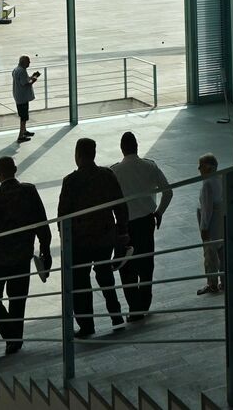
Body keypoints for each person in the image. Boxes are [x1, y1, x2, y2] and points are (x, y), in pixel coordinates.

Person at [0, 156, 52, 355]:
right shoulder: (29, 191)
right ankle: (15, 339)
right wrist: (45, 249)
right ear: (15, 169)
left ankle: (11, 336)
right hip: (22, 256)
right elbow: (42, 222)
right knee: (17, 299)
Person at [57, 138, 130, 337]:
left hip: (80, 242)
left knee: (81, 283)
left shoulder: (71, 181)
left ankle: (87, 325)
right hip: (104, 238)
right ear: (94, 154)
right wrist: (122, 233)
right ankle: (116, 315)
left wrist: (65, 242)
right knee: (105, 276)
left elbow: (63, 216)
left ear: (78, 155)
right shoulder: (107, 175)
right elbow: (120, 206)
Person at [109, 132, 173, 321]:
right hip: (146, 223)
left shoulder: (114, 171)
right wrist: (159, 212)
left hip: (125, 226)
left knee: (126, 267)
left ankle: (134, 307)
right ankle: (144, 304)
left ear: (122, 148)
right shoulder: (150, 166)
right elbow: (168, 192)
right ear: (137, 146)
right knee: (146, 265)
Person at [196, 153, 225, 296]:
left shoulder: (207, 184)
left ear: (207, 167)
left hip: (212, 223)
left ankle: (212, 284)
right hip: (221, 221)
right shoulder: (220, 178)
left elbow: (207, 209)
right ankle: (225, 282)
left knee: (209, 254)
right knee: (222, 252)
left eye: (200, 166)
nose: (198, 169)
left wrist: (204, 227)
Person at [11, 56, 39, 142]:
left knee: (23, 115)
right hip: (22, 97)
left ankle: (24, 131)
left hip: (19, 96)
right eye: (28, 62)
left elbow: (22, 80)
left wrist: (31, 77)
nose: (29, 63)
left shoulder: (16, 69)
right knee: (24, 117)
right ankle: (20, 136)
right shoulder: (22, 71)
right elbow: (25, 84)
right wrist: (34, 80)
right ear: (24, 62)